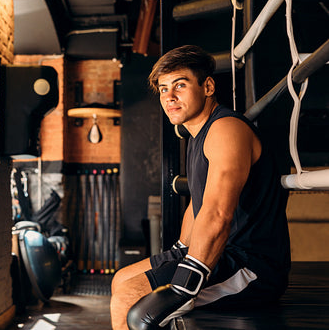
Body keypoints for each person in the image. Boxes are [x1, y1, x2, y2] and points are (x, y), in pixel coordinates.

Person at [110, 45, 291, 329]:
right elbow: (199, 204)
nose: (169, 97)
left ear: (207, 87)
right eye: (163, 89)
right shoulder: (197, 135)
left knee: (128, 297)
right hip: (221, 256)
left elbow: (218, 214)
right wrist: (180, 251)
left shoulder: (225, 130)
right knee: (121, 279)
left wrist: (185, 281)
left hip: (250, 266)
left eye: (179, 85)